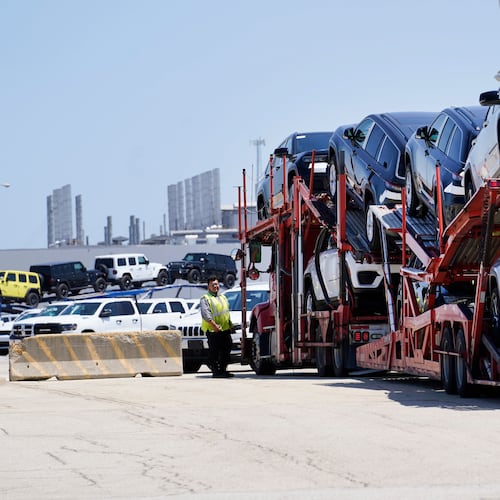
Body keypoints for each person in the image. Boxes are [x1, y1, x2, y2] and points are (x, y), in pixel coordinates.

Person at [200, 276, 234, 378]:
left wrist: (230, 325)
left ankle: (223, 370)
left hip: (224, 329)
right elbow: (206, 314)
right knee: (215, 351)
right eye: (213, 285)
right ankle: (216, 371)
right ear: (208, 286)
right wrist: (214, 325)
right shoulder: (205, 298)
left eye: (216, 284)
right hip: (213, 330)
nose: (215, 286)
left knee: (226, 349)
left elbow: (225, 313)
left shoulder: (222, 297)